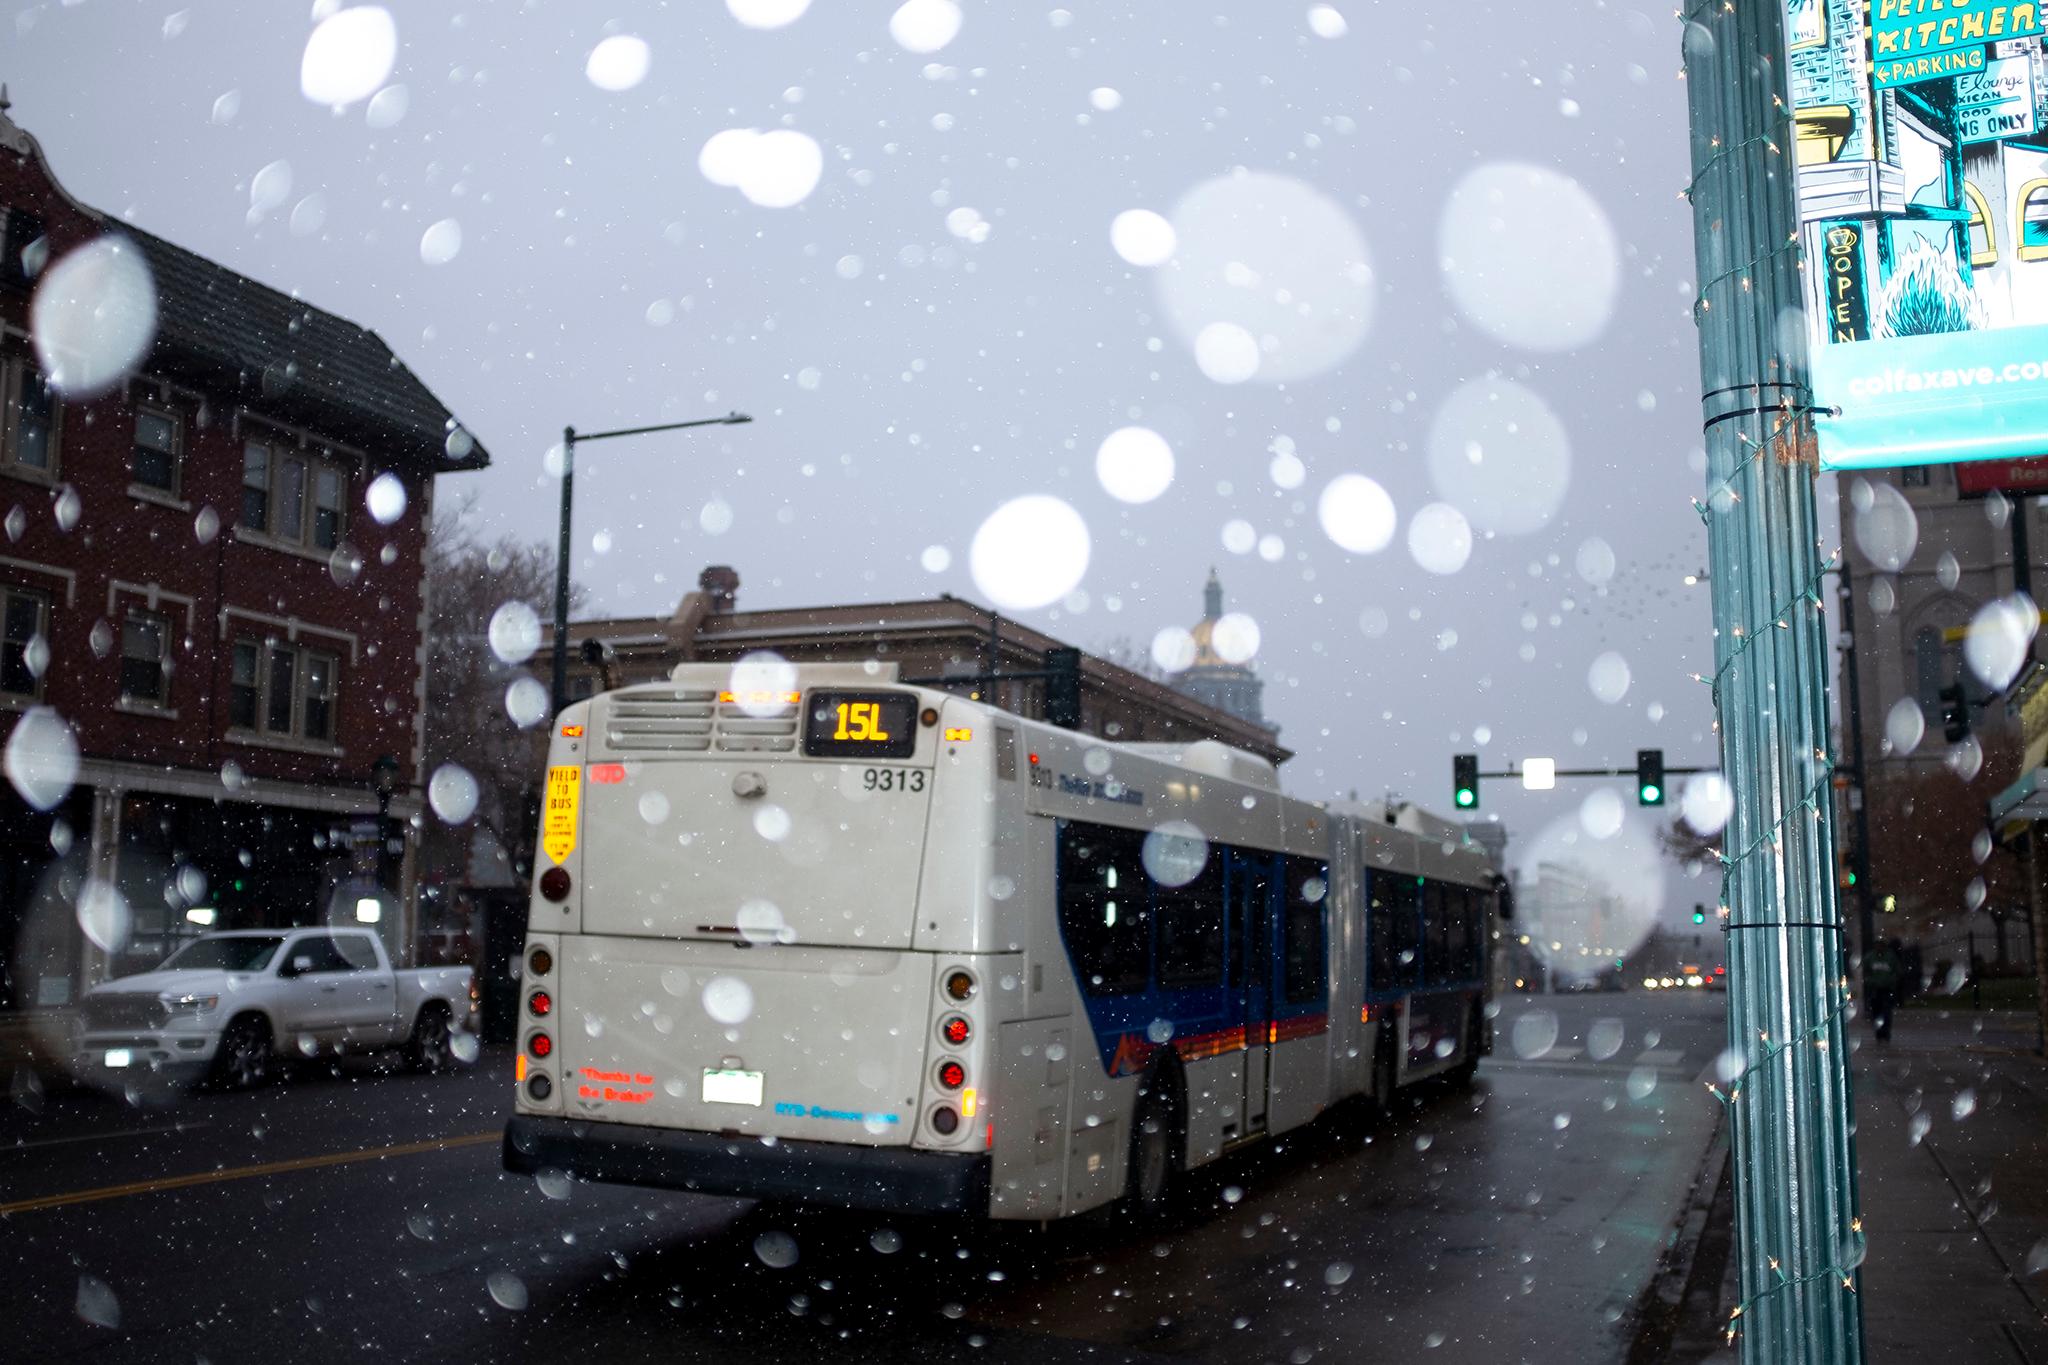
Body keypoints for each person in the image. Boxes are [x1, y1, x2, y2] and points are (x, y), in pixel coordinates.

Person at [1864, 938, 1903, 1042]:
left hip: (1887, 989)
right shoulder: (1870, 957)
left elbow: (1897, 971)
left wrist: (1891, 981)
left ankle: (1886, 1032)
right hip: (1874, 989)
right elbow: (1865, 971)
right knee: (1876, 1012)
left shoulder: (1891, 957)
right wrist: (1871, 981)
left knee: (1886, 1012)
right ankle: (1879, 1033)